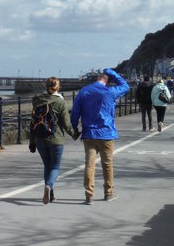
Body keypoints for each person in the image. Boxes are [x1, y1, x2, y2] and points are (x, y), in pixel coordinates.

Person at [70, 68, 129, 205]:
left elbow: (75, 111)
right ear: (107, 81)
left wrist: (74, 127)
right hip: (106, 133)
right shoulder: (110, 92)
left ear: (97, 79)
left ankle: (89, 195)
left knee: (89, 165)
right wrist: (112, 73)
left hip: (89, 133)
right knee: (107, 165)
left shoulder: (84, 91)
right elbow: (125, 86)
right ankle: (108, 192)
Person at [29, 77, 74, 205]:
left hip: (39, 139)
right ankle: (48, 186)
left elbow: (32, 123)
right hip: (56, 139)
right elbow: (66, 124)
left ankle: (51, 195)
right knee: (55, 166)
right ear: (58, 87)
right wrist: (74, 134)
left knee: (47, 166)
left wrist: (31, 142)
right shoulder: (60, 102)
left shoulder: (37, 101)